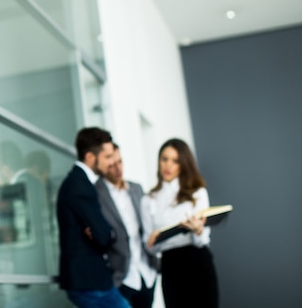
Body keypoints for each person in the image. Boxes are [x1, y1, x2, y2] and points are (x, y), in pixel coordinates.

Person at [56, 127, 130, 308]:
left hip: (89, 280)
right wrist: (109, 233)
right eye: (107, 157)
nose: (111, 162)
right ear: (90, 157)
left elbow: (99, 232)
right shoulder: (79, 185)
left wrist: (101, 231)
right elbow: (104, 235)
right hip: (89, 281)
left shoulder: (80, 182)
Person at [141, 138, 219, 308]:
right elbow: (149, 248)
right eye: (164, 159)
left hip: (198, 261)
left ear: (183, 164)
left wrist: (198, 230)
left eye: (175, 161)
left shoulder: (197, 192)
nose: (168, 165)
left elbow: (203, 240)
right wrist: (155, 240)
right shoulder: (148, 200)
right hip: (171, 266)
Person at [95, 144, 158, 308]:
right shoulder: (96, 193)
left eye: (120, 162)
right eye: (112, 164)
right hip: (122, 276)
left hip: (147, 273)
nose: (118, 168)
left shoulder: (136, 189)